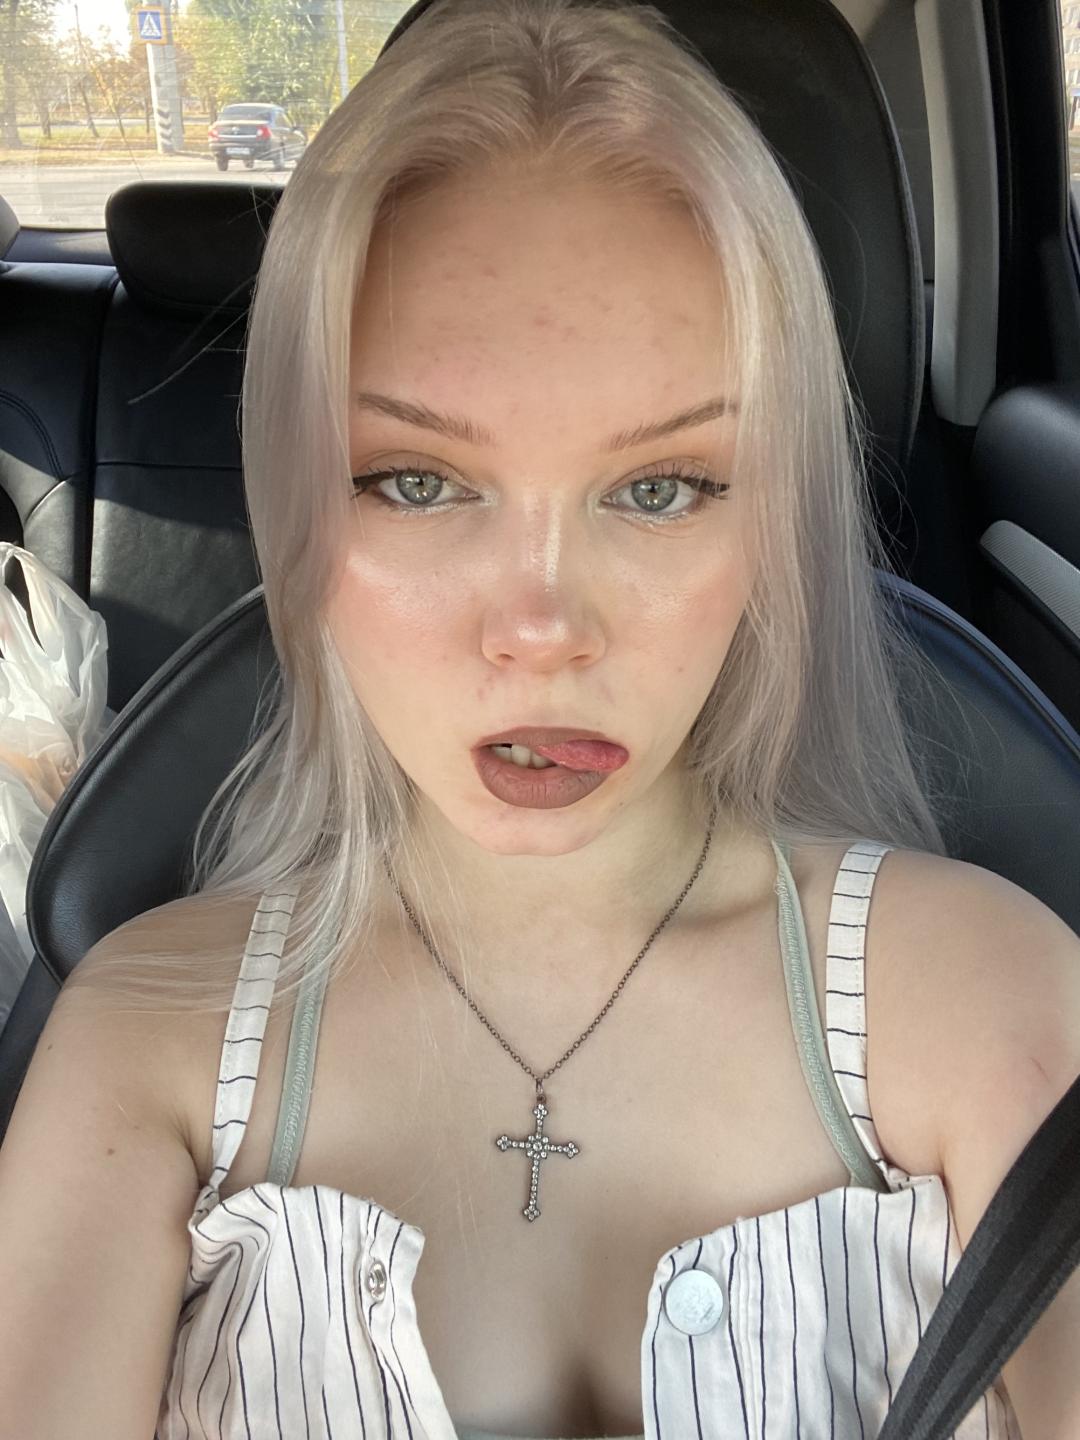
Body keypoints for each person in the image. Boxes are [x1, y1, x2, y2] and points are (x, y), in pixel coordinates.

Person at [1, 1, 1078, 1437]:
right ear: (293, 511)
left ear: (773, 527)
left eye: (661, 488)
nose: (544, 628)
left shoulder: (993, 1002)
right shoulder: (146, 1042)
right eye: (418, 482)